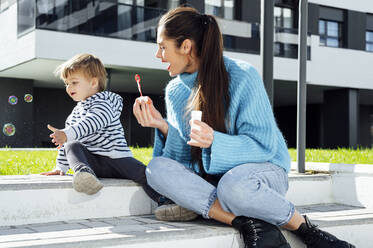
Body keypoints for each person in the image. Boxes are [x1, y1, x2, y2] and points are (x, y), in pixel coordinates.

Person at [132, 7, 355, 248]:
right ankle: (248, 223)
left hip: (263, 172)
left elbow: (264, 146)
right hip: (216, 181)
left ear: (186, 46)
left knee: (233, 186)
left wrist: (215, 141)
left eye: (162, 47)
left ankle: (308, 231)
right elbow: (182, 161)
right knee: (155, 169)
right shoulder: (175, 91)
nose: (158, 54)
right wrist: (163, 126)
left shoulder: (242, 76)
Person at [40, 53, 162, 204]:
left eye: (74, 82)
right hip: (94, 164)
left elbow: (93, 121)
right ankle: (84, 175)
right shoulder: (74, 114)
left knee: (146, 175)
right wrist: (61, 167)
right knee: (72, 145)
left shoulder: (105, 102)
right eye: (66, 83)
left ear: (93, 83)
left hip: (118, 159)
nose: (68, 87)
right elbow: (68, 142)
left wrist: (67, 133)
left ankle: (166, 201)